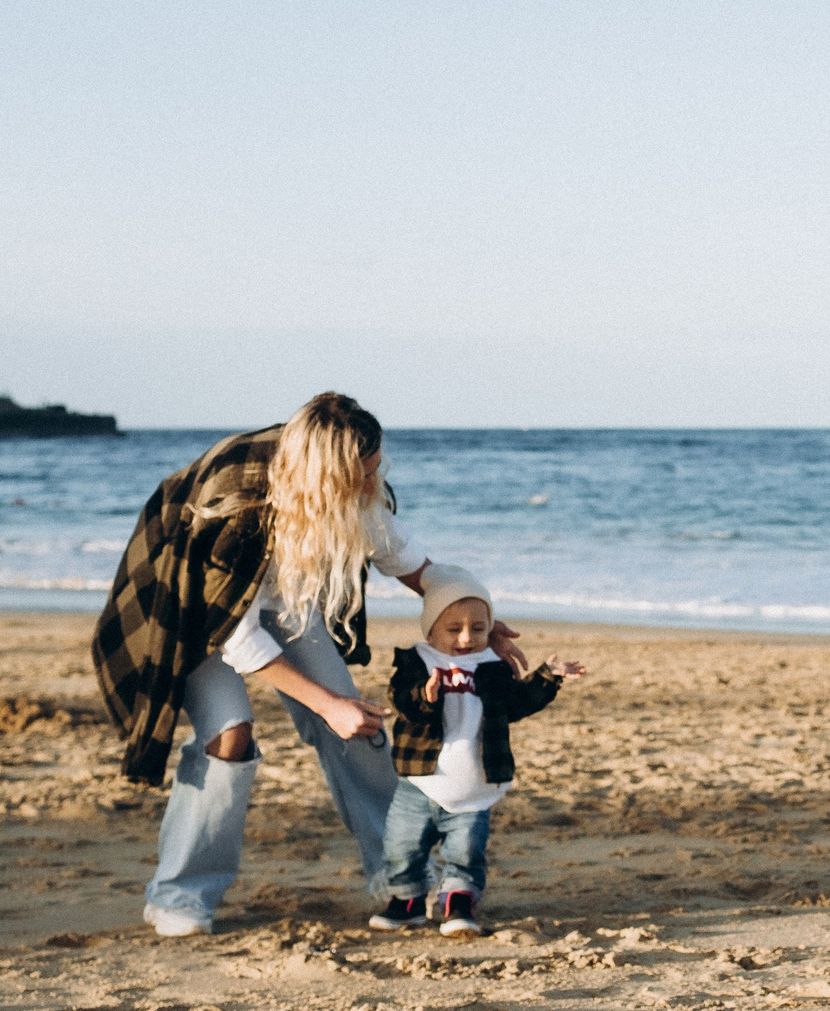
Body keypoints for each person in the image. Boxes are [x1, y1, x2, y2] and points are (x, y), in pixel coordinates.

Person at [92, 392, 521, 937]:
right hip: (193, 605)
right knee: (231, 735)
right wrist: (326, 704)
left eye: (374, 470)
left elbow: (412, 564)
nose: (372, 487)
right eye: (360, 477)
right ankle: (178, 896)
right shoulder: (235, 508)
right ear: (323, 476)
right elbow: (234, 632)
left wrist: (480, 621)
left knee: (356, 726)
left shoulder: (358, 492)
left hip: (282, 597)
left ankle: (401, 877)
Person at [371, 565, 583, 935]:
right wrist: (425, 696)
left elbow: (516, 704)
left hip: (475, 783)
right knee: (401, 845)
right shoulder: (415, 661)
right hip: (419, 782)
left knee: (467, 851)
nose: (467, 638)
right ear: (431, 628)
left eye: (479, 628)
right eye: (454, 629)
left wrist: (549, 677)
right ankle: (406, 901)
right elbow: (402, 699)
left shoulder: (492, 667)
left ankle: (458, 902)